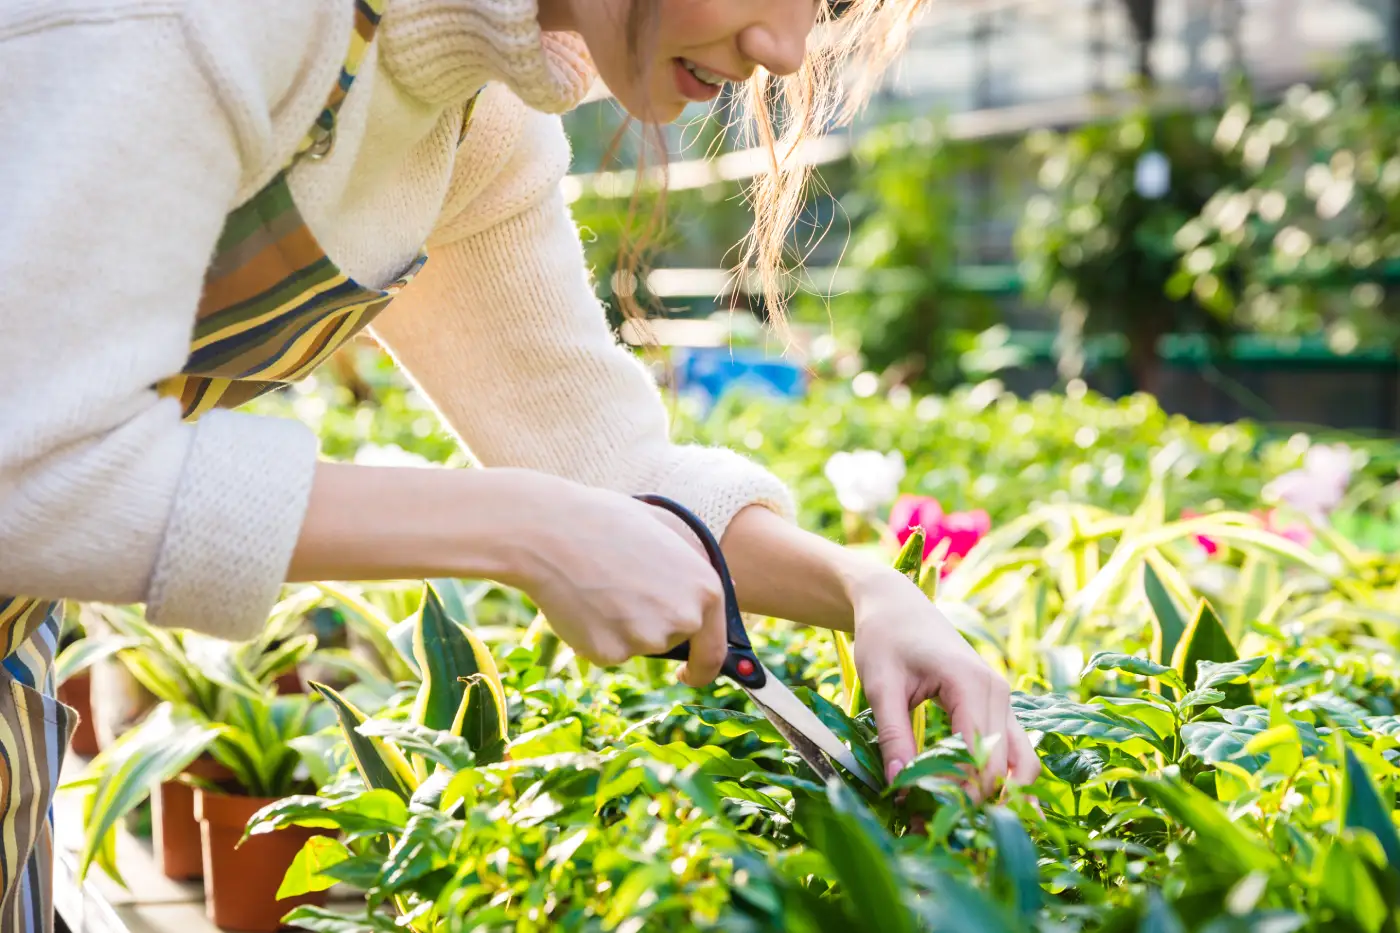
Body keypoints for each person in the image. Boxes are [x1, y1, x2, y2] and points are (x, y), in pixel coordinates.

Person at [1, 1, 1039, 926]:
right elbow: (31, 468)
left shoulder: (472, 117)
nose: (782, 45)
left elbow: (600, 455)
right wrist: (523, 530)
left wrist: (867, 592)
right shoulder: (203, 21)